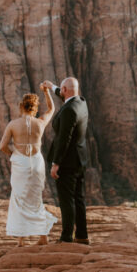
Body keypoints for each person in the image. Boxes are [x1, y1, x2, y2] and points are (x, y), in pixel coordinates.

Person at [0, 83, 58, 246]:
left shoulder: (13, 124)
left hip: (20, 163)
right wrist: (46, 92)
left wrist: (14, 155)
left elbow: (2, 146)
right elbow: (51, 110)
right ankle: (43, 237)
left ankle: (21, 240)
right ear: (35, 108)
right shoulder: (40, 123)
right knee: (36, 197)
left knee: (19, 198)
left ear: (21, 107)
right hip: (36, 162)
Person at [42, 77, 90, 244]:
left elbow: (64, 139)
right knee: (79, 198)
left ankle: (67, 237)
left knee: (66, 199)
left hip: (67, 162)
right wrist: (52, 86)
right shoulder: (81, 102)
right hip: (80, 159)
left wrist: (56, 163)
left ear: (65, 90)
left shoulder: (69, 110)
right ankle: (82, 236)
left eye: (61, 90)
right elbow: (65, 95)